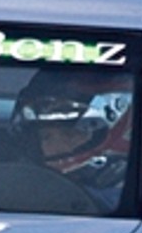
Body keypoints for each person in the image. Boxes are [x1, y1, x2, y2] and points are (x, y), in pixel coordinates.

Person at [9, 67, 135, 211]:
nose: (55, 148)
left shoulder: (133, 206)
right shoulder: (19, 197)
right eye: (46, 137)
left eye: (71, 134)